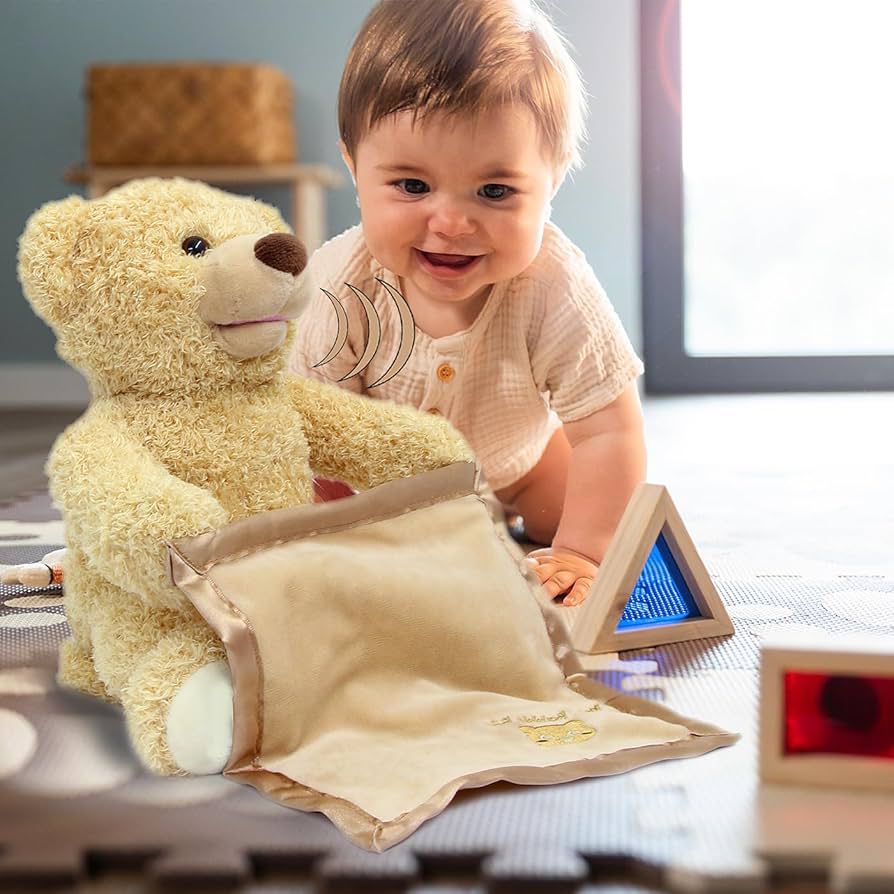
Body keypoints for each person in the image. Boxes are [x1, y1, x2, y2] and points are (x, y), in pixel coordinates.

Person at [290, 0, 646, 606]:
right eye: (412, 186)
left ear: (552, 182)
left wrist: (582, 553)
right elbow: (314, 436)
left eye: (495, 190)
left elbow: (608, 430)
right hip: (384, 484)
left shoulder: (555, 285)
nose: (452, 222)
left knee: (605, 521)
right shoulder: (339, 286)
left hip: (522, 465)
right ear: (354, 166)